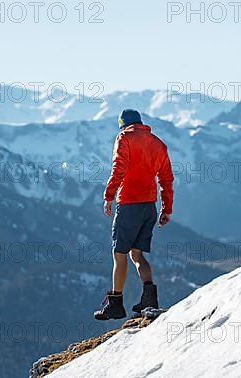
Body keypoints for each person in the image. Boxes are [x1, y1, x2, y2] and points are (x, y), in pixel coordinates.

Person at [94, 109, 174, 320]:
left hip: (129, 204)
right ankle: (149, 298)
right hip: (149, 206)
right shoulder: (158, 143)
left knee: (119, 255)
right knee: (137, 255)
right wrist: (167, 209)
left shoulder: (124, 138)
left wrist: (109, 195)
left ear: (123, 124)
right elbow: (166, 179)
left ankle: (116, 304)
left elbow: (119, 167)